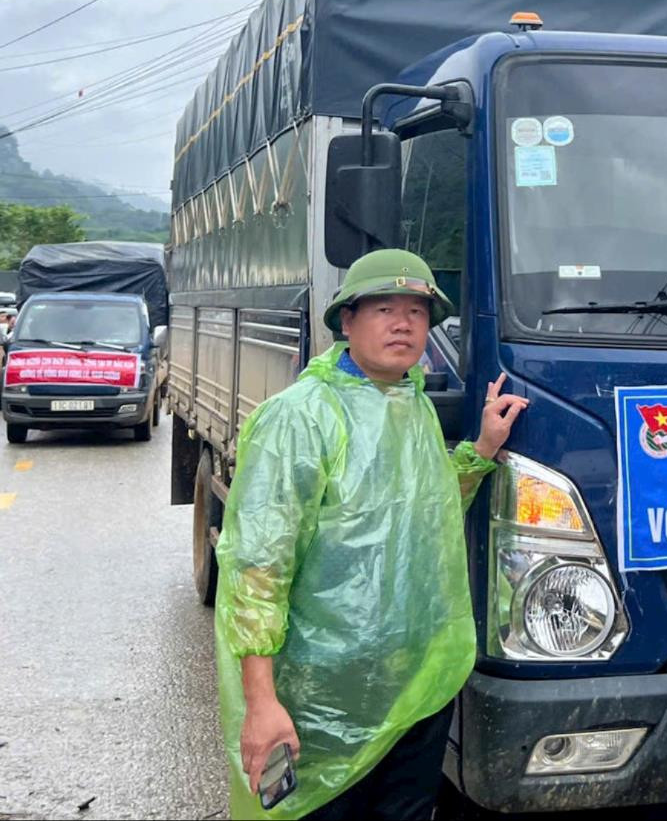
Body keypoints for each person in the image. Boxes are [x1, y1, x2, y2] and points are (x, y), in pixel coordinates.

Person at [214, 248, 529, 819]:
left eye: (417, 312)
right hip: (321, 698)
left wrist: (483, 449)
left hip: (413, 688)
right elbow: (259, 568)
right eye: (385, 309)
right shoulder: (302, 417)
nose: (403, 324)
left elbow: (424, 513)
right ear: (347, 320)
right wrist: (261, 701)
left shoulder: (414, 406)